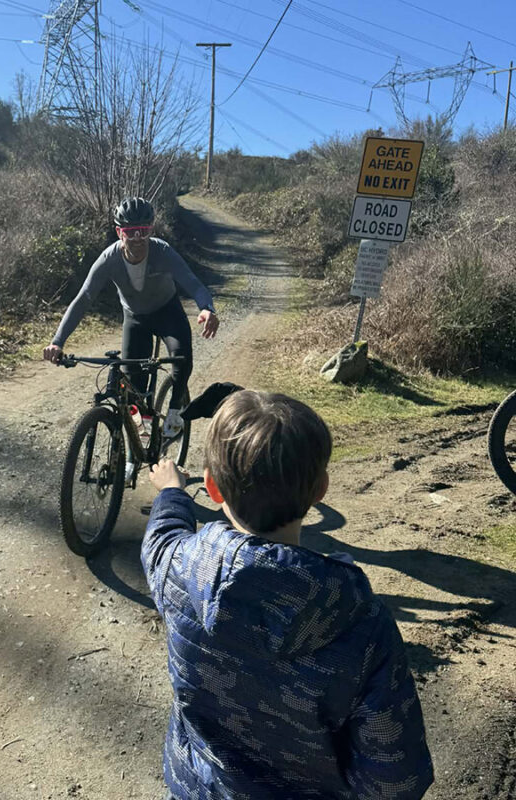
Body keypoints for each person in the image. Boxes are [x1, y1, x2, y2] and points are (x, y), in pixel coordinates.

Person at [144, 390, 434, 800]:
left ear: (211, 487)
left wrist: (171, 492)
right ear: (321, 489)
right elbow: (393, 779)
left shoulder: (178, 568)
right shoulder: (362, 623)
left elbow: (160, 539)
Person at [42, 196, 219, 443]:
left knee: (182, 359)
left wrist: (207, 308)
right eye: (130, 231)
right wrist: (57, 341)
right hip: (135, 318)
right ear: (119, 232)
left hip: (168, 313)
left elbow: (194, 284)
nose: (137, 238)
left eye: (143, 231)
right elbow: (83, 299)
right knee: (133, 390)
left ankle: (176, 410)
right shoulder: (109, 259)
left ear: (151, 230)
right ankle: (140, 441)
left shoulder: (163, 251)